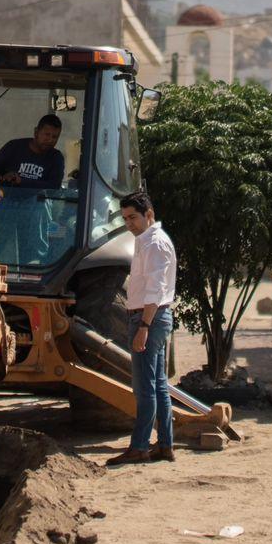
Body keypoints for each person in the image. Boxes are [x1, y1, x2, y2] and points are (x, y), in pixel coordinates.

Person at [107, 190, 177, 466]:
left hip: (150, 317)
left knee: (145, 387)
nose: (128, 223)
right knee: (158, 385)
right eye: (125, 218)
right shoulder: (146, 240)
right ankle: (165, 445)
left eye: (133, 217)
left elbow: (155, 290)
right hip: (150, 317)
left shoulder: (155, 244)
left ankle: (139, 447)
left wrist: (144, 326)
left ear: (149, 214)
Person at [0, 115, 66, 266]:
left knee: (41, 204)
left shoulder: (56, 158)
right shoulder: (14, 147)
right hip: (7, 202)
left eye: (55, 137)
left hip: (35, 207)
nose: (50, 140)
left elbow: (54, 186)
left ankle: (34, 262)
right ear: (36, 132)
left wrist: (21, 180)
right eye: (47, 134)